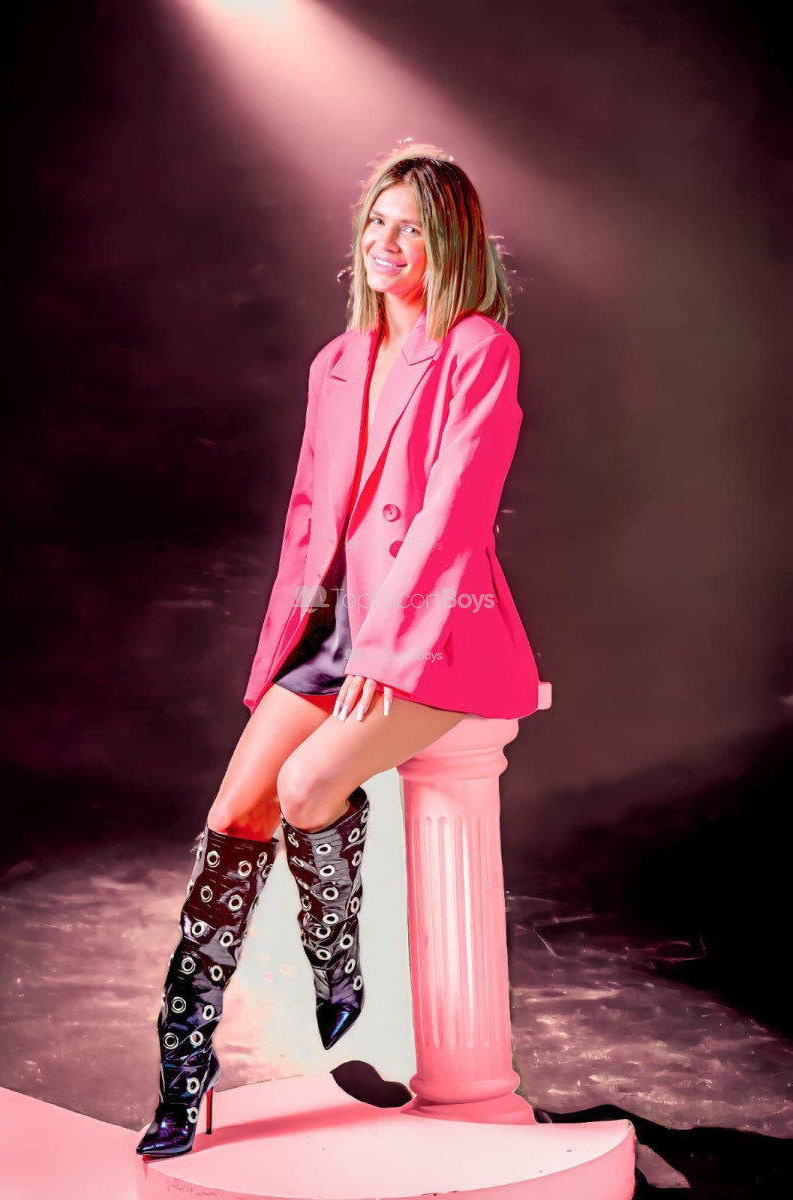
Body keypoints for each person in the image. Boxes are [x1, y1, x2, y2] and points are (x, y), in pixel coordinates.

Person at [136, 142, 541, 1159]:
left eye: (411, 227)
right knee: (232, 816)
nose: (385, 242)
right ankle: (184, 1061)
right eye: (376, 221)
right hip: (329, 625)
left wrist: (387, 648)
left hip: (436, 622)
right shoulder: (335, 361)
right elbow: (309, 519)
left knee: (310, 786)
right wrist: (290, 648)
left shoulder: (478, 349)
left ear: (449, 244)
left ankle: (335, 956)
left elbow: (454, 513)